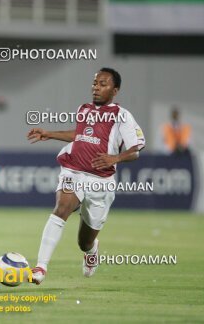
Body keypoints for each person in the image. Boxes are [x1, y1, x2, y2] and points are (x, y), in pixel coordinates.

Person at [27, 68, 146, 285]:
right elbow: (80, 135)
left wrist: (115, 158)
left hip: (101, 181)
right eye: (94, 83)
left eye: (103, 84)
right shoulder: (84, 109)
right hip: (74, 170)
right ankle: (41, 267)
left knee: (84, 241)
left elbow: (136, 148)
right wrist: (50, 133)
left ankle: (91, 251)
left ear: (115, 90)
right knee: (61, 208)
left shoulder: (122, 115)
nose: (96, 87)